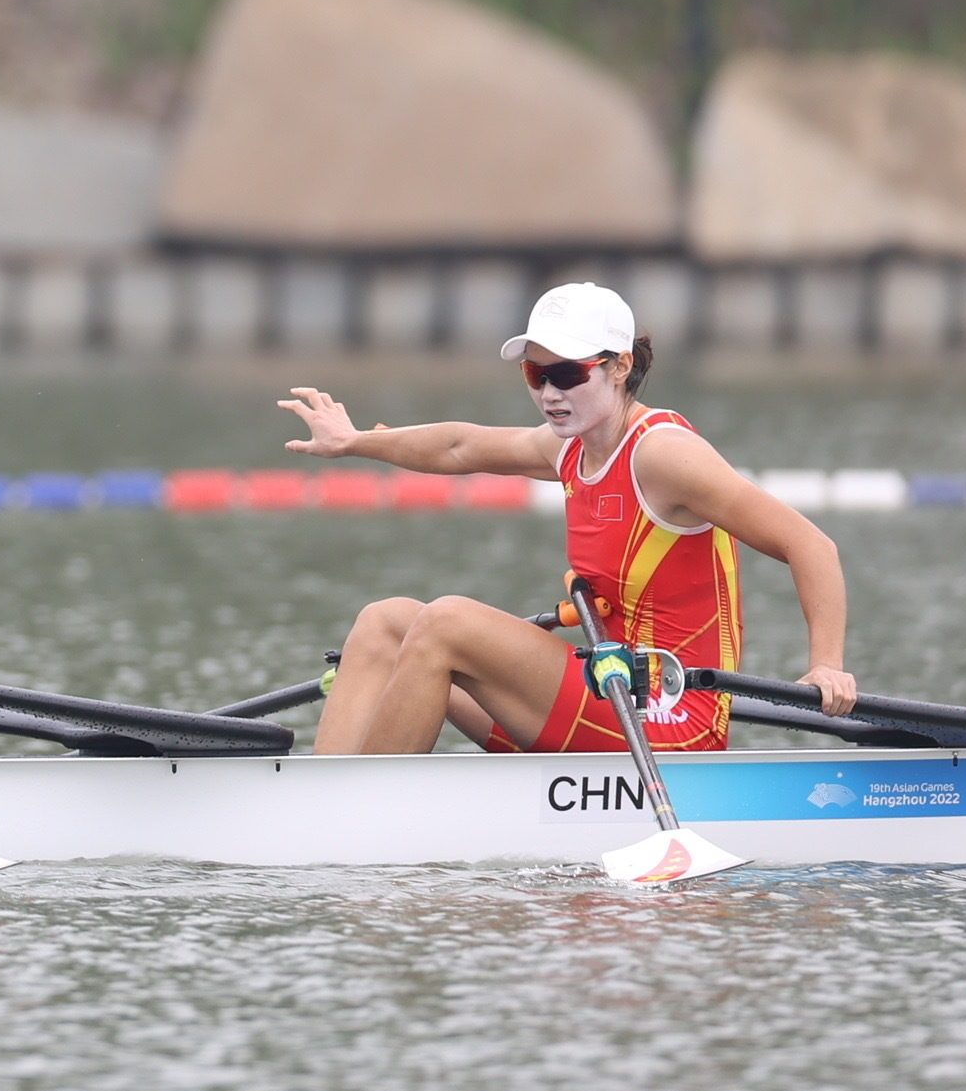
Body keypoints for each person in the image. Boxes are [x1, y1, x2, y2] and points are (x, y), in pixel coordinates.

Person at [276, 279, 855, 756]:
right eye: (535, 374)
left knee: (445, 622)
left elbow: (810, 545)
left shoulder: (664, 454)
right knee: (385, 622)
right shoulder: (570, 448)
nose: (550, 392)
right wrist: (353, 442)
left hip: (668, 717)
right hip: (602, 689)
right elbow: (460, 447)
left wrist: (826, 665)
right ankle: (326, 804)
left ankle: (359, 813)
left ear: (620, 366)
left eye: (568, 374)